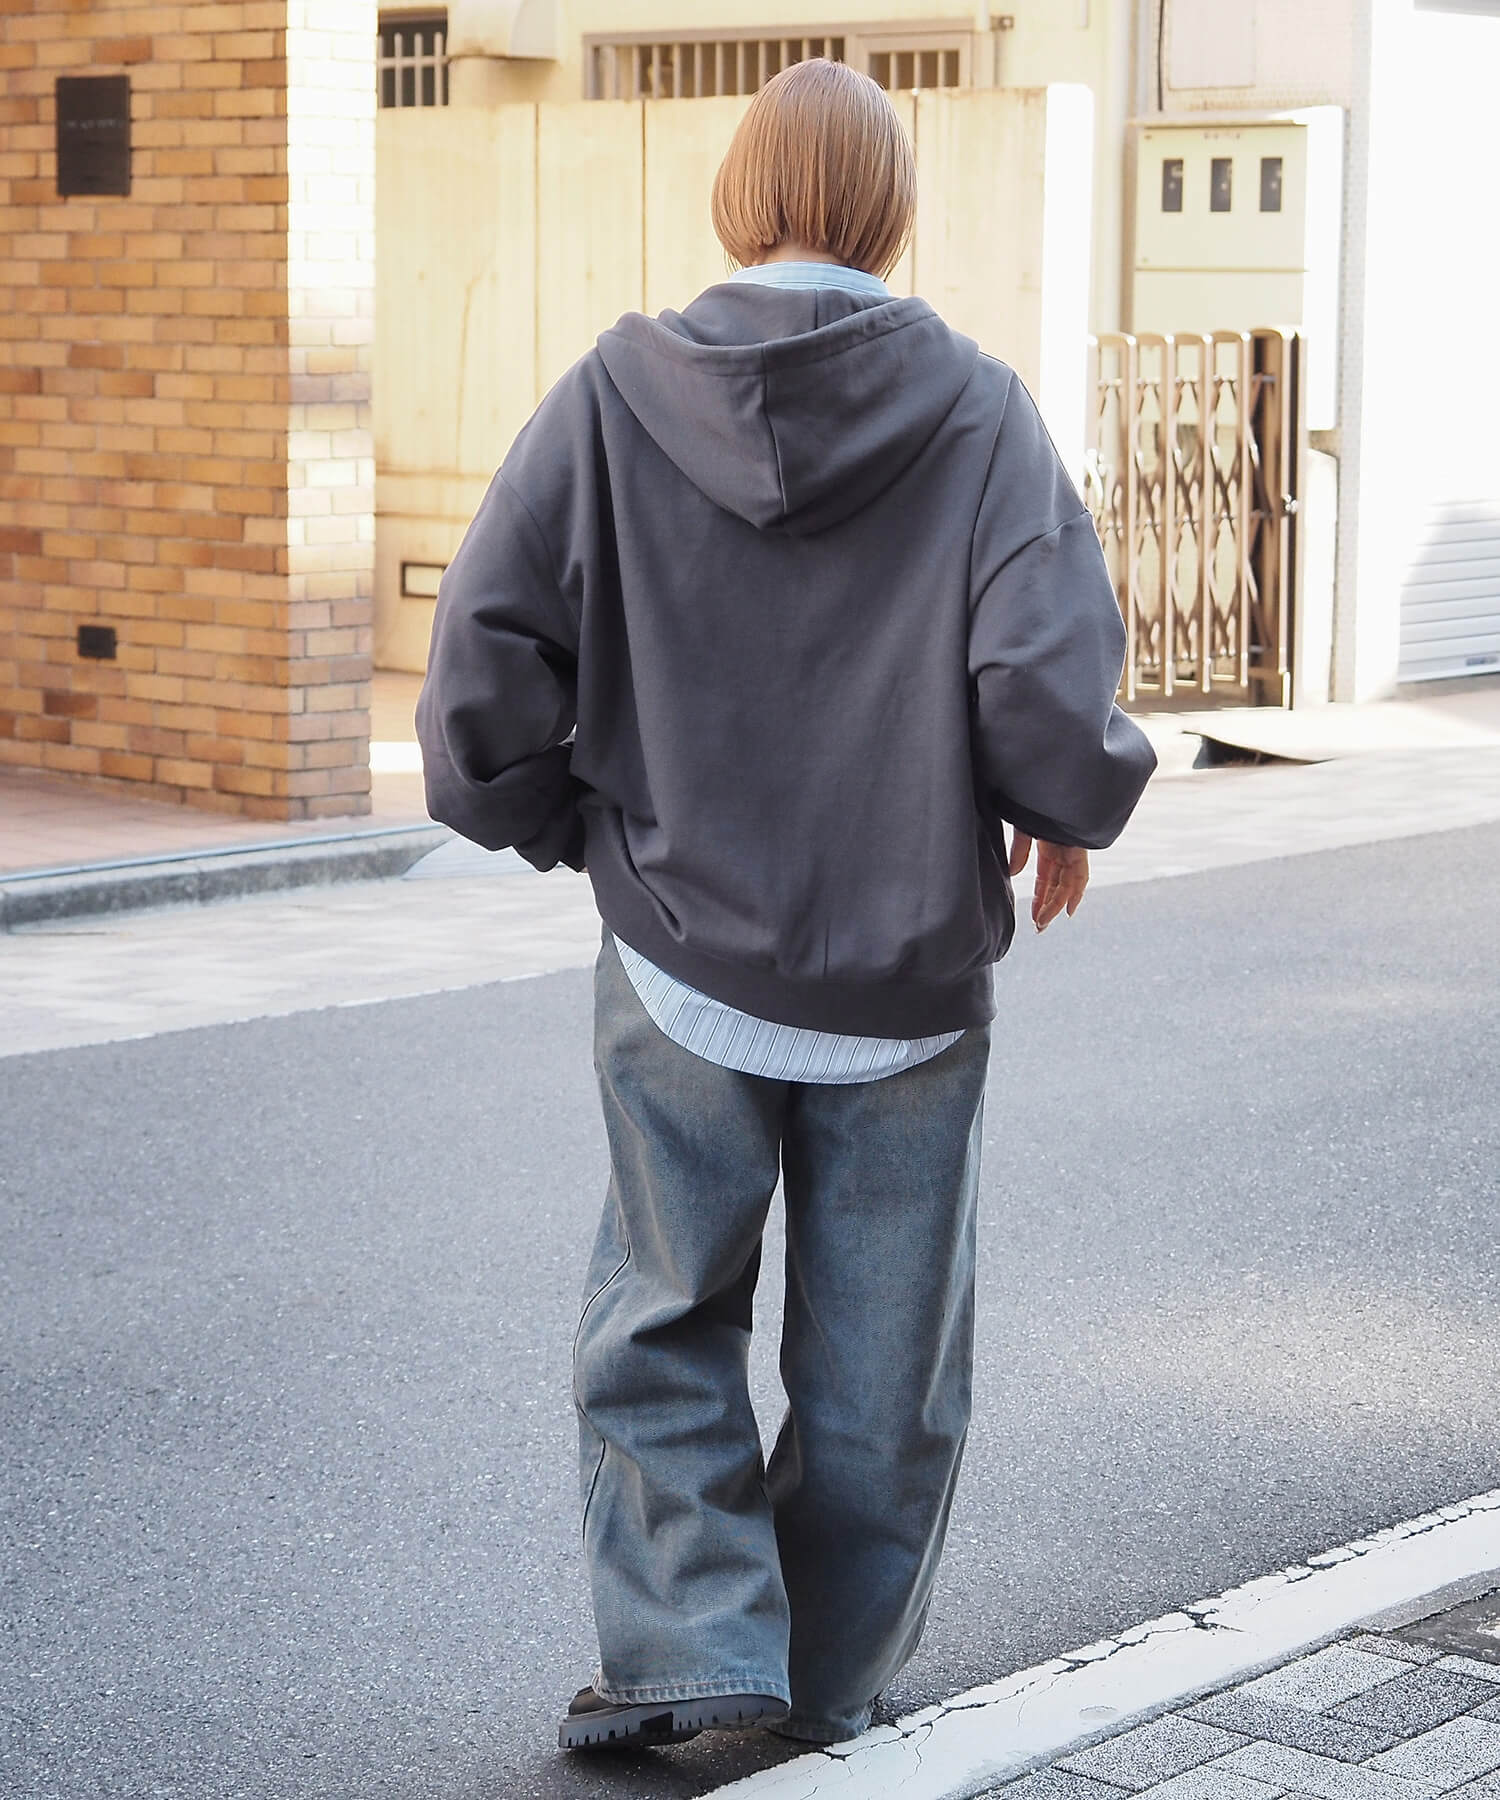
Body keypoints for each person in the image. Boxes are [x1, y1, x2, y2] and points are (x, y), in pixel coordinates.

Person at [415, 57, 1156, 1755]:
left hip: (677, 955)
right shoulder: (981, 410)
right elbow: (1045, 686)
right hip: (908, 974)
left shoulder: (612, 395)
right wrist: (1069, 807)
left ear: (736, 198)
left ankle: (691, 1647)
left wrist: (567, 825)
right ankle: (820, 1682)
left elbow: (479, 677)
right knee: (887, 1358)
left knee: (662, 1309)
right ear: (893, 210)